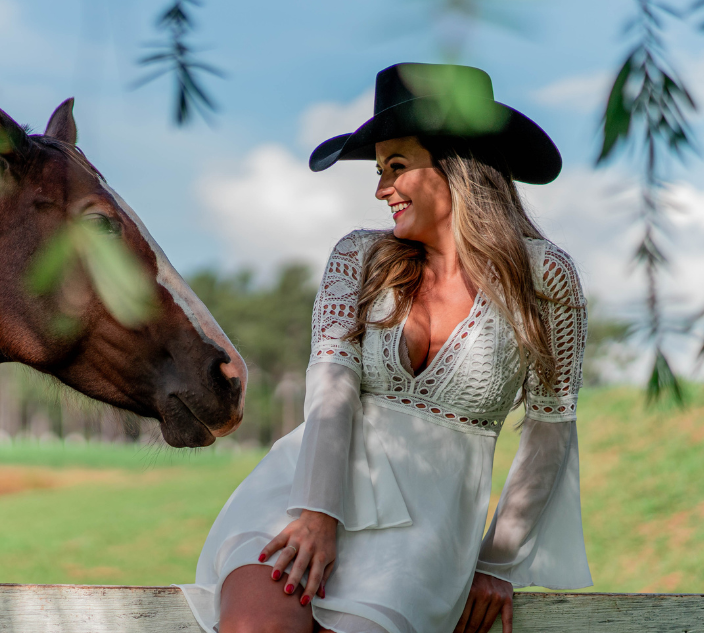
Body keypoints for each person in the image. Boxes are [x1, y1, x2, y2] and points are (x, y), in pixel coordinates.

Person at [179, 62, 591, 633]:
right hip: (304, 495)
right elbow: (332, 390)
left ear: (459, 167)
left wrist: (499, 560)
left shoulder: (545, 279)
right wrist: (318, 512)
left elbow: (550, 429)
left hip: (424, 538)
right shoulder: (359, 258)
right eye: (378, 170)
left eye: (396, 166)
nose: (380, 189)